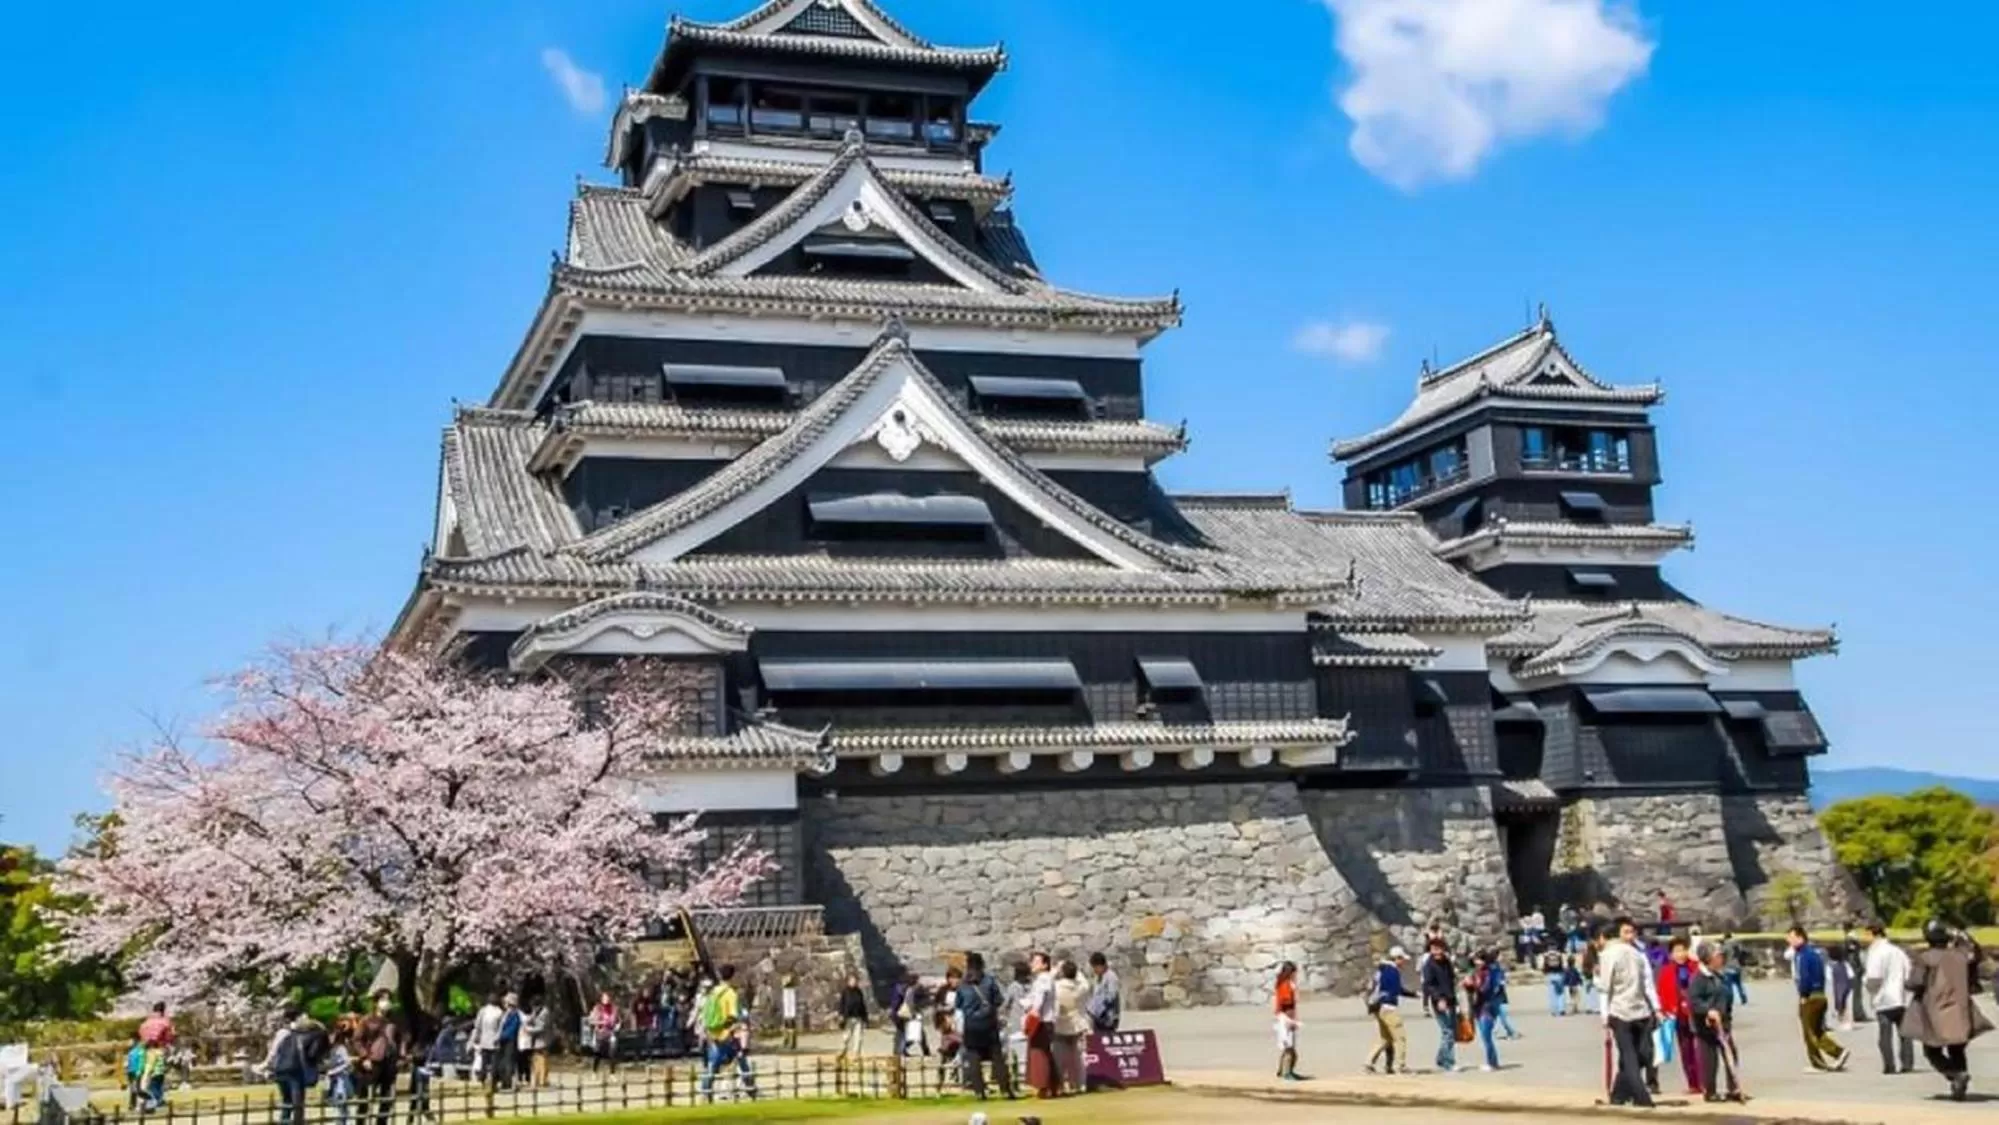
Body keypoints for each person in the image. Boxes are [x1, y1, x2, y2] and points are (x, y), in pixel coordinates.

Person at [1902, 919, 1993, 1101]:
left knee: (1931, 1050)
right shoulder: (1960, 956)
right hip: (1960, 1009)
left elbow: (1916, 982)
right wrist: (1961, 934)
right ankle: (1960, 1080)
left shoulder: (1926, 958)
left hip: (1934, 1010)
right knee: (1957, 1048)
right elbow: (1976, 953)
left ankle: (1954, 1074)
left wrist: (1907, 982)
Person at [1595, 918, 1656, 1108]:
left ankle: (1630, 1095)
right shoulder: (1624, 954)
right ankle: (1629, 1095)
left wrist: (1656, 1007)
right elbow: (1607, 988)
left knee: (1633, 1056)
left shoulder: (1622, 953)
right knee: (1633, 1056)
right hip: (1630, 1010)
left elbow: (1606, 986)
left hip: (1631, 1010)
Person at [1787, 926, 1851, 1071]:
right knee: (1817, 1030)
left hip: (1811, 996)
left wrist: (1803, 994)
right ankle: (1838, 1052)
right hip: (1820, 995)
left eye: (1791, 937)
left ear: (1800, 937)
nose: (1789, 940)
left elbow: (1804, 977)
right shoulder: (1814, 954)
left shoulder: (1803, 955)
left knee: (1809, 1032)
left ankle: (1818, 1063)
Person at [1686, 943, 1743, 1103]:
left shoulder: (1721, 976)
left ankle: (1734, 1088)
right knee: (1709, 1060)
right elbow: (1694, 1001)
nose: (1721, 958)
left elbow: (1726, 998)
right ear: (1708, 959)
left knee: (1731, 1054)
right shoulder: (1698, 978)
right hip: (1705, 1026)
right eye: (1718, 956)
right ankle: (1710, 1092)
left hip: (1722, 1023)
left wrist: (1727, 1016)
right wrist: (1707, 1010)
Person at [957, 953, 1016, 1101]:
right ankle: (1005, 1089)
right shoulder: (989, 981)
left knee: (974, 1059)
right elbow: (998, 1000)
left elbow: (958, 1004)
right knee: (997, 1057)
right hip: (989, 1024)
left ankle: (979, 1091)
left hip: (971, 1025)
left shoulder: (963, 984)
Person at [1860, 924, 1915, 1074]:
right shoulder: (1898, 951)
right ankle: (1907, 1063)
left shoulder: (1876, 953)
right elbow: (1908, 971)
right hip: (1901, 996)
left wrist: (1866, 983)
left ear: (1874, 935)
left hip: (1884, 998)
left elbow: (1874, 977)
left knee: (1885, 1035)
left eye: (1866, 935)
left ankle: (1889, 1065)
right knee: (1904, 1034)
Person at [698, 964, 755, 1102]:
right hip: (726, 1034)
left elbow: (705, 1013)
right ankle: (750, 1089)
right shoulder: (730, 993)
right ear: (732, 976)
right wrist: (730, 1031)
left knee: (713, 1064)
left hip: (713, 1033)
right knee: (741, 1060)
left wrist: (709, 1030)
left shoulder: (713, 992)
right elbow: (732, 1016)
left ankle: (706, 1091)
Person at [263, 1006, 328, 1125]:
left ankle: (284, 1122)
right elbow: (313, 1053)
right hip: (295, 1070)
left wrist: (268, 1066)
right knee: (297, 1103)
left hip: (281, 1070)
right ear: (298, 1017)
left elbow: (274, 1051)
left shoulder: (284, 1032)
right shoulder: (312, 1033)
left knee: (287, 1101)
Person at [1656, 936, 1701, 1095]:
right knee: (1685, 1049)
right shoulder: (1666, 971)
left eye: (1682, 950)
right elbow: (1661, 994)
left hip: (1696, 1013)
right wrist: (1663, 1011)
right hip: (1677, 1014)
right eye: (1676, 951)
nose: (1680, 954)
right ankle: (1693, 1084)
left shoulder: (1696, 967)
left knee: (1699, 1048)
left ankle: (1704, 1081)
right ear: (1671, 954)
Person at [354, 991, 403, 1125]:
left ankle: (382, 1122)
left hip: (390, 1061)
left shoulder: (394, 1020)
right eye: (383, 999)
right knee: (365, 1098)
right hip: (372, 1061)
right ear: (376, 1002)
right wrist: (365, 1057)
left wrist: (400, 1057)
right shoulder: (366, 1020)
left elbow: (400, 1039)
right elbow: (357, 1040)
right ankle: (360, 1122)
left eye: (388, 999)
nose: (386, 1002)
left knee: (386, 1097)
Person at [1366, 946, 1414, 1074]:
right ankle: (1401, 1066)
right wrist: (1413, 994)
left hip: (1378, 1007)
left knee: (1385, 1038)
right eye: (1402, 959)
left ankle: (1369, 1062)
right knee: (1400, 1037)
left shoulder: (1381, 970)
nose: (1404, 962)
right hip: (1389, 1007)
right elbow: (1396, 990)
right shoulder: (1393, 971)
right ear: (1397, 958)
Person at [1022, 951, 1060, 1099]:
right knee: (1045, 1053)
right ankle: (1051, 1085)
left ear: (1044, 965)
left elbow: (1040, 998)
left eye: (1036, 962)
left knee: (1039, 1054)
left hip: (1042, 1020)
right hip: (1044, 1018)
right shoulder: (1042, 979)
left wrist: (1034, 1012)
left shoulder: (1044, 979)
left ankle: (1044, 1086)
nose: (1033, 964)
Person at [1420, 938, 1458, 1073]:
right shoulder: (1429, 965)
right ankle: (1448, 1061)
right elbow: (1429, 985)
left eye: (1439, 948)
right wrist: (1439, 999)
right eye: (1433, 948)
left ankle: (1441, 1058)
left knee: (1452, 1031)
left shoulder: (1447, 962)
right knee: (1447, 1031)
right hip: (1439, 1002)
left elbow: (1452, 979)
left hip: (1451, 999)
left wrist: (1455, 999)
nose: (1436, 951)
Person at [1053, 960, 1091, 1094]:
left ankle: (1061, 1085)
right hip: (1078, 1024)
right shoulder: (1081, 987)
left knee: (1059, 1058)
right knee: (1079, 1058)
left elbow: (1047, 983)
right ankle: (1081, 1084)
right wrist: (1075, 971)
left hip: (1060, 1025)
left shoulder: (1056, 986)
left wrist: (1056, 969)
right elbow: (1085, 982)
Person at [1465, 950, 1502, 1072]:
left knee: (1486, 1035)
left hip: (1487, 1006)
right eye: (1476, 960)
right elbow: (1472, 990)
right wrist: (1468, 985)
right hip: (1478, 1006)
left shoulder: (1489, 973)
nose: (1477, 962)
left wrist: (1473, 984)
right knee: (1485, 1036)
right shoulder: (1476, 972)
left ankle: (1491, 1062)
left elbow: (1485, 989)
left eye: (1479, 960)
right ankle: (1493, 1061)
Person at [1272, 960, 1302, 1082]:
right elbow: (1287, 1004)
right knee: (1289, 1048)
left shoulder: (1284, 984)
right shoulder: (1286, 985)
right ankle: (1286, 1073)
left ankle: (1282, 1070)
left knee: (1287, 1047)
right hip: (1285, 1017)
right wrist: (1291, 1021)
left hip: (1283, 1017)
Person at [490, 993, 521, 1091]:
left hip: (509, 1041)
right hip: (502, 1041)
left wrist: (500, 1037)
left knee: (508, 1061)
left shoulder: (515, 1015)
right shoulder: (505, 1014)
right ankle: (500, 1080)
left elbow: (511, 1029)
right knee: (500, 1062)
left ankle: (507, 1082)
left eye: (506, 1002)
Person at [836, 973, 869, 1062]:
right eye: (852, 981)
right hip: (848, 1017)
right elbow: (841, 1004)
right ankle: (843, 1050)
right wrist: (841, 1015)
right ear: (848, 982)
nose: (854, 982)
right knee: (846, 1036)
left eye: (855, 981)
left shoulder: (859, 992)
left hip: (858, 1017)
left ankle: (856, 1054)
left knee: (858, 1037)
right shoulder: (845, 992)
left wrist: (865, 1018)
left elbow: (862, 1005)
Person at [471, 993, 503, 1084]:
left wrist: (477, 1036)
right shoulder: (499, 1012)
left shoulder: (483, 1010)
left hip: (484, 1039)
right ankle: (493, 1079)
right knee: (494, 1062)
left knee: (484, 1061)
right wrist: (498, 1037)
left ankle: (483, 1078)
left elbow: (478, 1025)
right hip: (494, 1040)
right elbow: (500, 1027)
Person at [1086, 952, 1122, 1034]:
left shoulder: (1111, 977)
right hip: (1097, 1017)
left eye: (1095, 967)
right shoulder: (1098, 978)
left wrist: (1097, 1004)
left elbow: (1111, 996)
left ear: (1100, 965)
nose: (1094, 970)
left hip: (1108, 1017)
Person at [588, 990, 620, 1074]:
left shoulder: (614, 1008)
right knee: (597, 1053)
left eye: (608, 998)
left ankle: (612, 1073)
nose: (607, 1000)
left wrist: (618, 1026)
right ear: (602, 999)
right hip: (600, 1033)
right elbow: (591, 1021)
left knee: (613, 1052)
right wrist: (601, 1023)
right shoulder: (597, 1008)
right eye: (605, 998)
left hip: (610, 1033)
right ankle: (594, 1071)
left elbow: (618, 1020)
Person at [1486, 953, 1518, 1039]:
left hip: (1496, 996)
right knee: (1499, 1015)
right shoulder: (1494, 968)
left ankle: (1509, 1032)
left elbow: (1500, 979)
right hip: (1496, 996)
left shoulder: (1495, 967)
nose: (1501, 957)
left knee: (1499, 1015)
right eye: (1499, 956)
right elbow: (1498, 980)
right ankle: (1509, 1032)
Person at [522, 998, 550, 1089]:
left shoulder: (545, 1013)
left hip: (543, 1038)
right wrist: (531, 1017)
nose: (533, 1009)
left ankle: (543, 1079)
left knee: (542, 1060)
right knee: (535, 1059)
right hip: (535, 1040)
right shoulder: (536, 1012)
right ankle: (537, 1079)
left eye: (535, 1007)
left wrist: (528, 1030)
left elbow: (541, 1027)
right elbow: (529, 1021)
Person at [1720, 933, 1749, 1005]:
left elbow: (1722, 955)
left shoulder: (1725, 946)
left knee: (1728, 985)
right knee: (1739, 984)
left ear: (1725, 938)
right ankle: (1743, 997)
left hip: (1729, 967)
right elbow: (1744, 953)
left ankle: (1730, 999)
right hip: (1737, 967)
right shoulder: (1738, 945)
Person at [1541, 943, 1569, 1017]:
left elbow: (1543, 966)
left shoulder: (1546, 955)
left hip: (1550, 975)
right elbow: (1563, 965)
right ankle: (1561, 1009)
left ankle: (1553, 1011)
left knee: (1552, 994)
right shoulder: (1559, 955)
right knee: (1560, 993)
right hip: (1559, 974)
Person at [124, 1033, 146, 1112]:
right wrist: (126, 1066)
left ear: (136, 1040)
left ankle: (141, 1104)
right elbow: (128, 1061)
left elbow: (142, 1062)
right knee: (132, 1089)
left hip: (137, 1071)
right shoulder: (131, 1051)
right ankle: (132, 1104)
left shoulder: (140, 1050)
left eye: (130, 1040)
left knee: (137, 1089)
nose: (129, 1042)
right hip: (130, 1071)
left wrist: (140, 1071)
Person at [779, 973, 800, 1051]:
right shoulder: (786, 991)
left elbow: (792, 1002)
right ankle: (787, 1040)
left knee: (791, 1026)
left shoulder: (792, 991)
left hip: (790, 1011)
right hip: (787, 1011)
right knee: (787, 1026)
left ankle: (792, 1042)